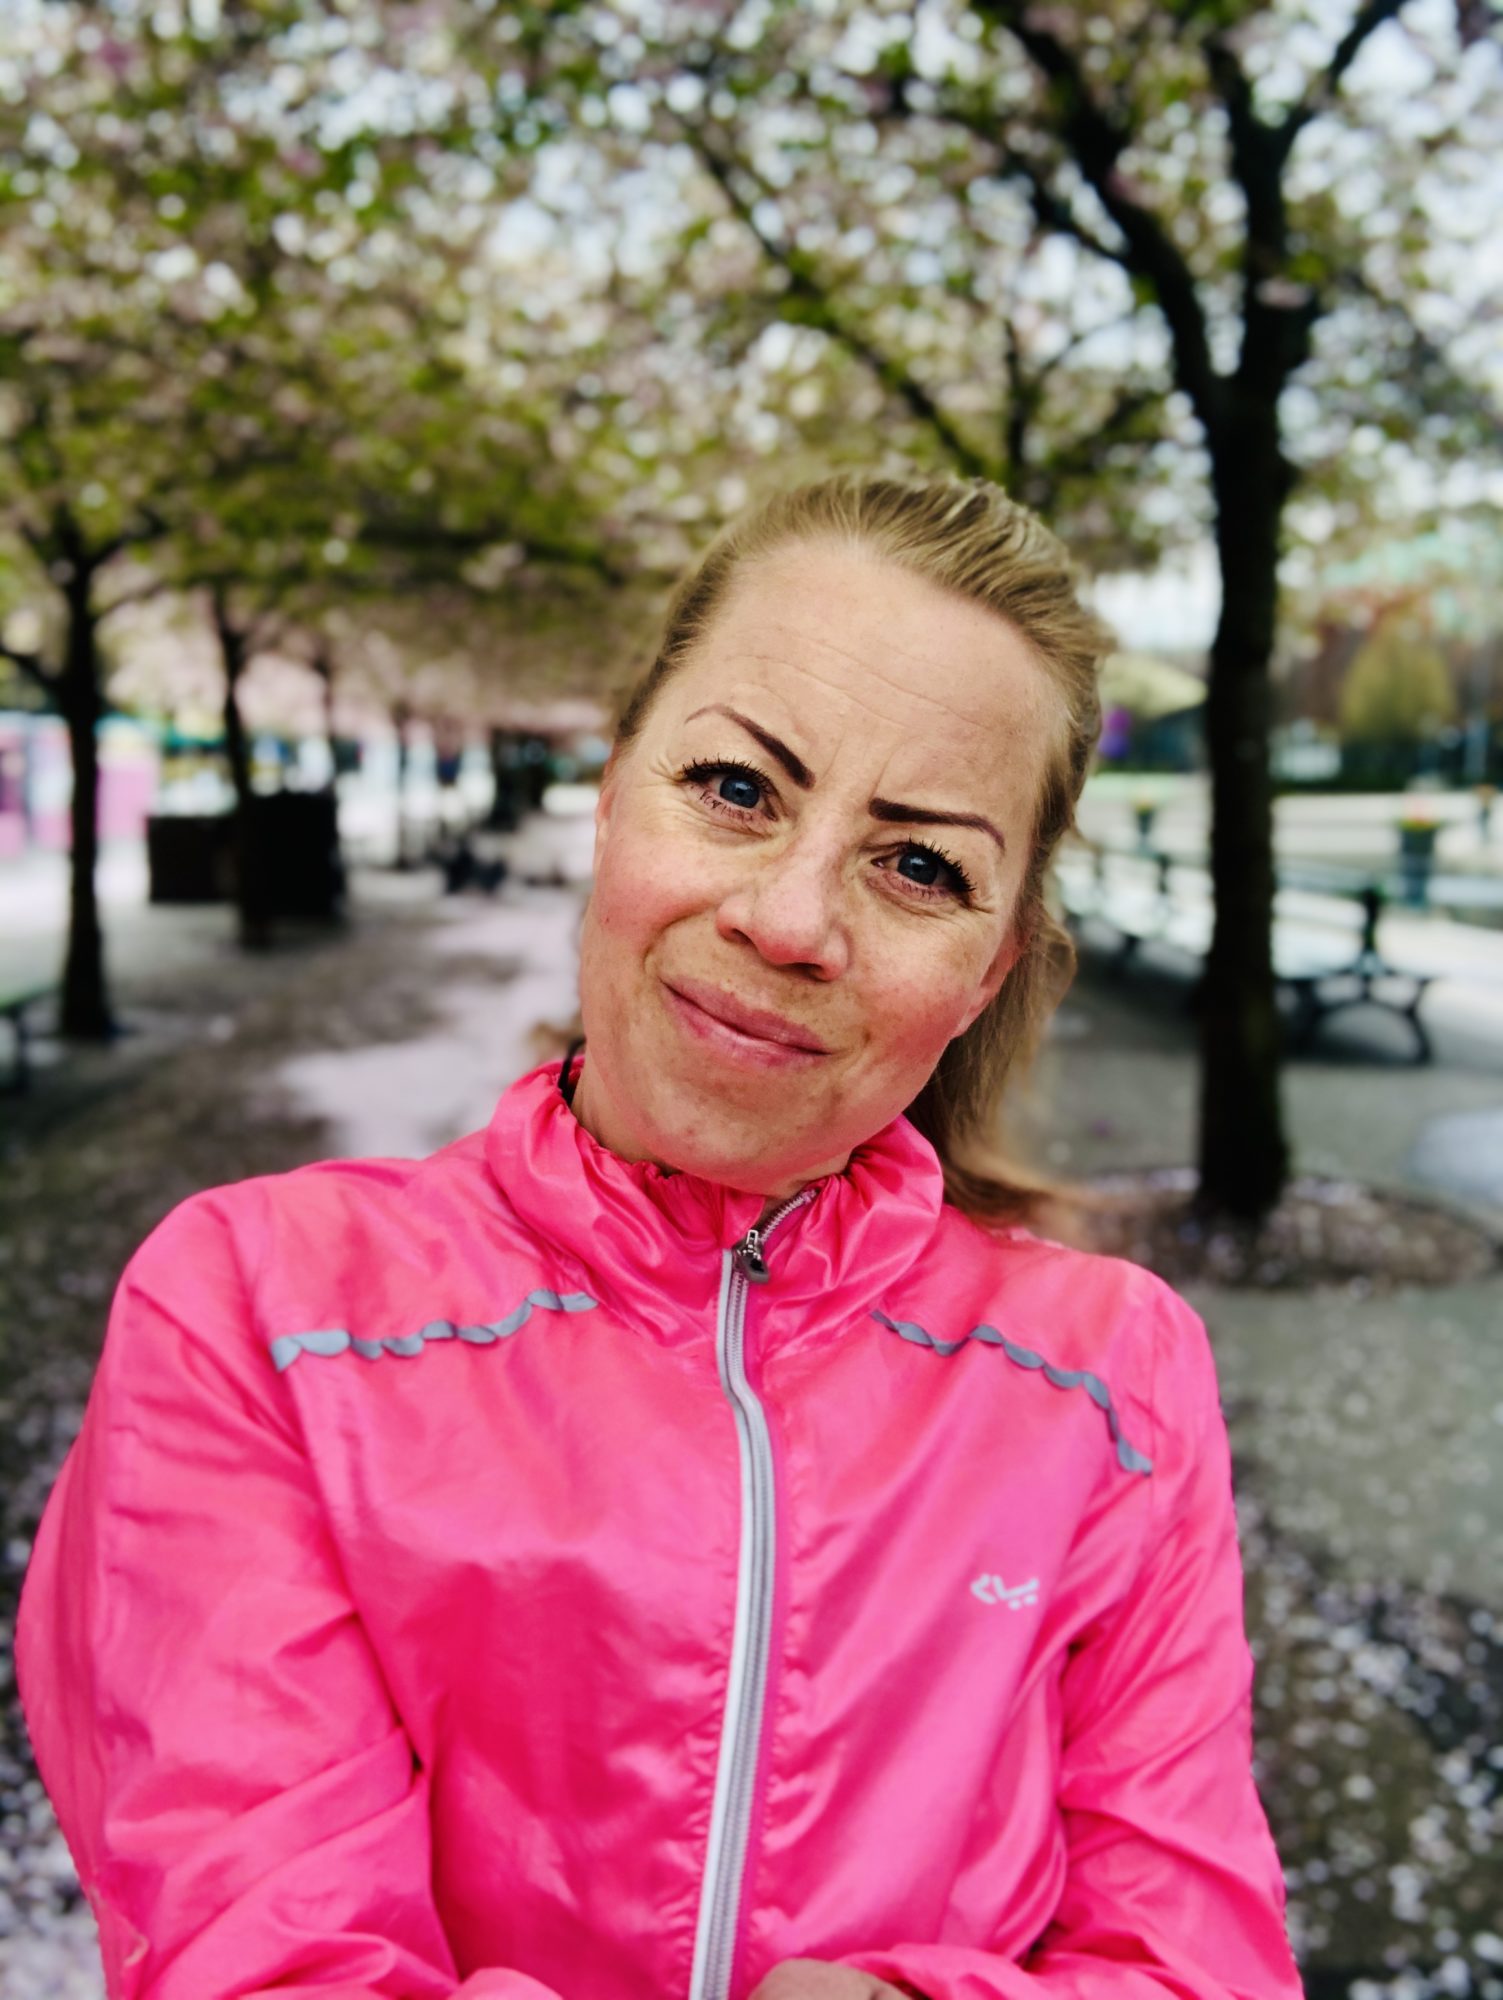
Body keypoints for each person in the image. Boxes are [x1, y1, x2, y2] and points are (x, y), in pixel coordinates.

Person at [16, 472, 1302, 2000]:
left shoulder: (1113, 1384)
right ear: (615, 793)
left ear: (988, 969)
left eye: (920, 866)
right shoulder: (260, 1315)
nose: (791, 920)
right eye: (739, 789)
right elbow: (259, 1959)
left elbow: (1197, 1958)